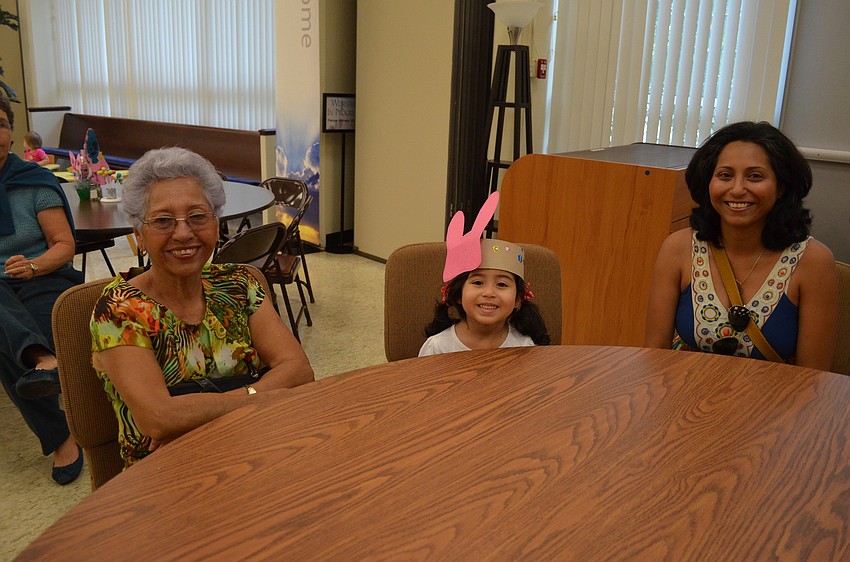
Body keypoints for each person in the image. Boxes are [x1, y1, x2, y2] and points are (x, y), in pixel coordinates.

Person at [90, 147, 315, 469]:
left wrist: (194, 415)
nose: (183, 233)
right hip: (164, 472)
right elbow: (159, 419)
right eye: (164, 221)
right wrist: (260, 396)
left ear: (216, 223)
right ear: (139, 234)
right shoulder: (119, 309)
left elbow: (298, 370)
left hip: (258, 450)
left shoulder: (238, 284)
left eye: (197, 217)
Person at [645, 121, 838, 370]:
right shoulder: (677, 248)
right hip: (684, 398)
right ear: (708, 183)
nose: (737, 190)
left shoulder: (814, 261)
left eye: (755, 176)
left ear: (781, 187)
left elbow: (814, 379)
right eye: (725, 175)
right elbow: (654, 356)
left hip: (775, 404)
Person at [0, 95, 85, 484]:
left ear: (12, 132)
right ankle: (42, 358)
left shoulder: (34, 181)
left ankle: (60, 439)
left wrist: (33, 265)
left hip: (42, 276)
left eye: (1, 124)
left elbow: (64, 246)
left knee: (4, 342)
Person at [419, 192, 549, 356]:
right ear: (458, 294)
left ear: (518, 300)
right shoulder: (437, 348)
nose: (489, 293)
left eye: (502, 284)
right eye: (478, 282)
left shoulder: (524, 347)